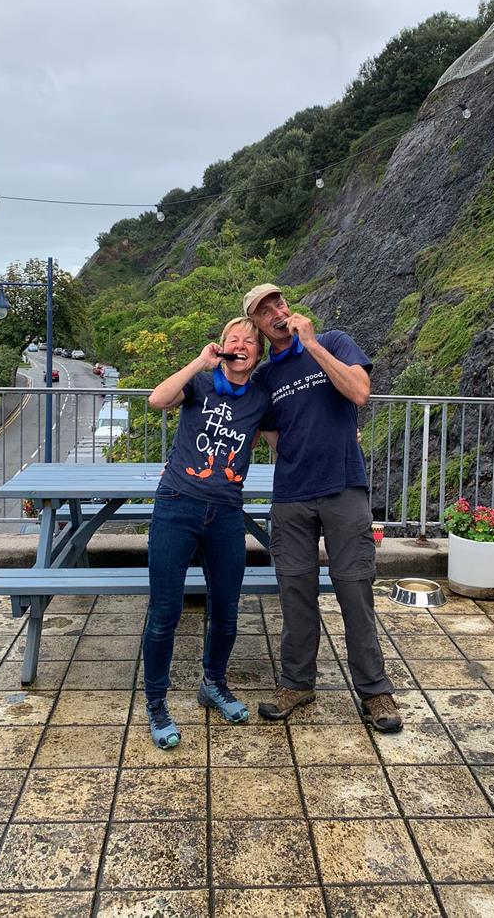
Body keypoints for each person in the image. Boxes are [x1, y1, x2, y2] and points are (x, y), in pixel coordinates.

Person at [244, 283, 402, 733]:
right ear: (256, 324)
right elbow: (270, 434)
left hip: (344, 487)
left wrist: (311, 344)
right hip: (291, 495)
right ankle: (297, 683)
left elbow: (359, 392)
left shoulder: (332, 341)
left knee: (355, 589)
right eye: (264, 310)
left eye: (278, 302)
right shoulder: (265, 377)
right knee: (295, 591)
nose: (276, 311)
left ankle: (375, 691)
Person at [143, 316, 271, 749]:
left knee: (227, 609)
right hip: (178, 505)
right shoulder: (199, 384)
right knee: (165, 612)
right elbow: (157, 400)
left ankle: (213, 684)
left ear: (257, 353)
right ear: (221, 347)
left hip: (227, 514)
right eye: (233, 339)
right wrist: (199, 362)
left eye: (250, 341)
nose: (241, 345)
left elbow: (282, 441)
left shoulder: (259, 398)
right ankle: (157, 704)